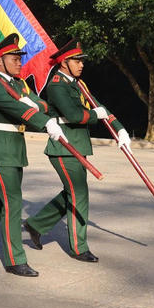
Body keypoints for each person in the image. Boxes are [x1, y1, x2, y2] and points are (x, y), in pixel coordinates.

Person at [0, 34, 64, 277]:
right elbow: (16, 109)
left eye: (19, 58)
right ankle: (15, 259)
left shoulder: (18, 84)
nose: (19, 62)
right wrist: (44, 122)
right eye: (13, 58)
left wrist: (36, 105)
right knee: (13, 201)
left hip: (14, 148)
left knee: (2, 199)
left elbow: (40, 103)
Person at [24, 40, 132, 263]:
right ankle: (78, 247)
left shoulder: (78, 84)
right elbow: (74, 115)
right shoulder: (57, 85)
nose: (81, 65)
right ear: (64, 62)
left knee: (71, 193)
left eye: (82, 61)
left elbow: (98, 106)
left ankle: (36, 225)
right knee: (79, 194)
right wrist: (96, 116)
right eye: (76, 60)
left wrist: (120, 129)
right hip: (64, 146)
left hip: (77, 145)